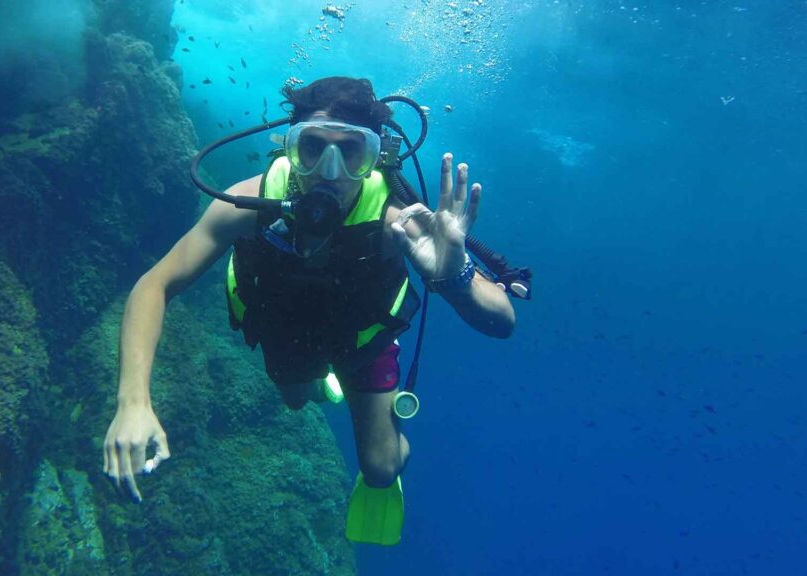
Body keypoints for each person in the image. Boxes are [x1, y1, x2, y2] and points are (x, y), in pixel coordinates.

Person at [102, 77, 515, 545]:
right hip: (286, 330)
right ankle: (324, 383)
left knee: (379, 468)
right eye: (313, 147)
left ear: (374, 159)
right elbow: (155, 284)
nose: (329, 171)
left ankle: (359, 412)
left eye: (350, 152)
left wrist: (456, 280)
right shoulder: (247, 204)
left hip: (363, 339)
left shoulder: (395, 224)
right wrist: (132, 403)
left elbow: (503, 322)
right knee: (298, 399)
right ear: (289, 148)